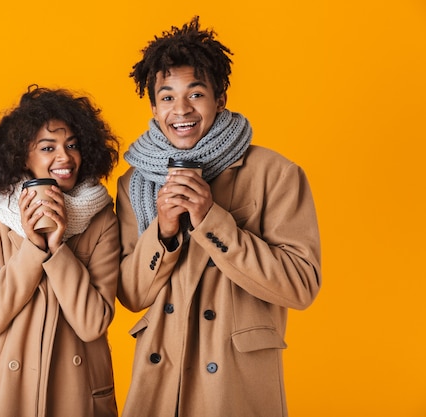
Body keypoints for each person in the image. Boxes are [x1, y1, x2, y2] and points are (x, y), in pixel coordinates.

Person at [115, 16, 321, 417]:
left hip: (234, 380)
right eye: (168, 97)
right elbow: (130, 294)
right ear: (154, 107)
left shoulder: (275, 174)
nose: (182, 110)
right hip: (161, 376)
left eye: (195, 94)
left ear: (219, 98)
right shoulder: (134, 183)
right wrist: (165, 231)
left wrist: (211, 218)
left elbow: (301, 285)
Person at [0, 86, 120, 417]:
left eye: (72, 145)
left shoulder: (101, 215)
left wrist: (58, 248)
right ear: (22, 156)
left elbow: (93, 323)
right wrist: (33, 247)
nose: (64, 157)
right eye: (48, 147)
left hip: (75, 395)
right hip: (2, 392)